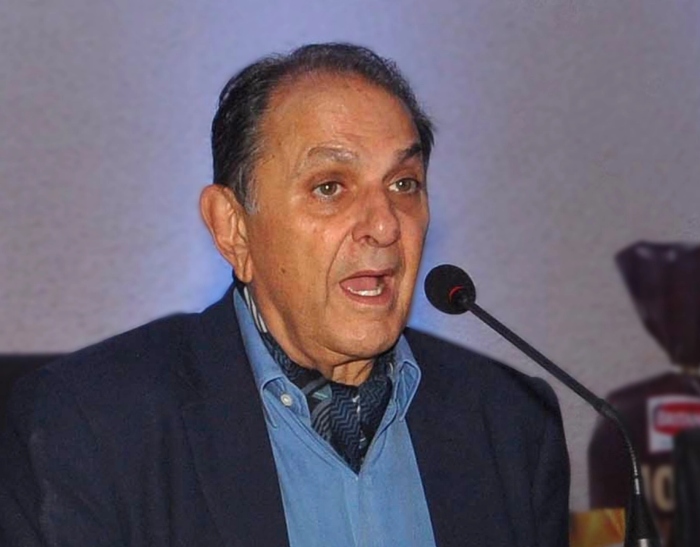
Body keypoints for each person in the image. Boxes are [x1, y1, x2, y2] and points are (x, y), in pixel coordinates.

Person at [0, 43, 570, 547]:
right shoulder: (88, 428)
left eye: (404, 184)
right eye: (330, 187)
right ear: (233, 228)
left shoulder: (511, 424)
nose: (384, 225)